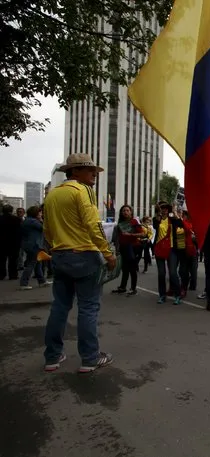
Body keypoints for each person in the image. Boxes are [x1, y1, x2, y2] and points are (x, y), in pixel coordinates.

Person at [42, 153, 116, 373]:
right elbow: (94, 225)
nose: (94, 174)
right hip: (84, 255)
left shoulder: (53, 195)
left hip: (60, 255)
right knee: (88, 308)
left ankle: (52, 357)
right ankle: (90, 359)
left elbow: (47, 230)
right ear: (74, 172)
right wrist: (108, 253)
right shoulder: (83, 191)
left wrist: (55, 248)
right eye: (89, 169)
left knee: (60, 306)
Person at [19, 206, 52, 290]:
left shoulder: (27, 220)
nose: (41, 214)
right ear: (36, 213)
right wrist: (41, 220)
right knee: (31, 264)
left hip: (29, 244)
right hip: (34, 245)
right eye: (40, 212)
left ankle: (42, 281)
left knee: (38, 264)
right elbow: (44, 229)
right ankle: (24, 283)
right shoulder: (33, 222)